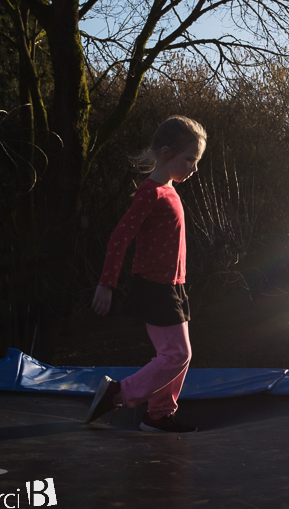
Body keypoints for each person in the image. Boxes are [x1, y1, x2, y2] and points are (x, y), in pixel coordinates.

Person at [85, 115, 206, 433]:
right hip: (155, 287)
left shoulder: (168, 190)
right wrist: (106, 284)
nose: (194, 167)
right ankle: (119, 394)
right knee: (177, 353)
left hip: (174, 286)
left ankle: (159, 414)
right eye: (190, 159)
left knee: (177, 355)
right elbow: (119, 237)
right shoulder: (151, 193)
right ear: (167, 153)